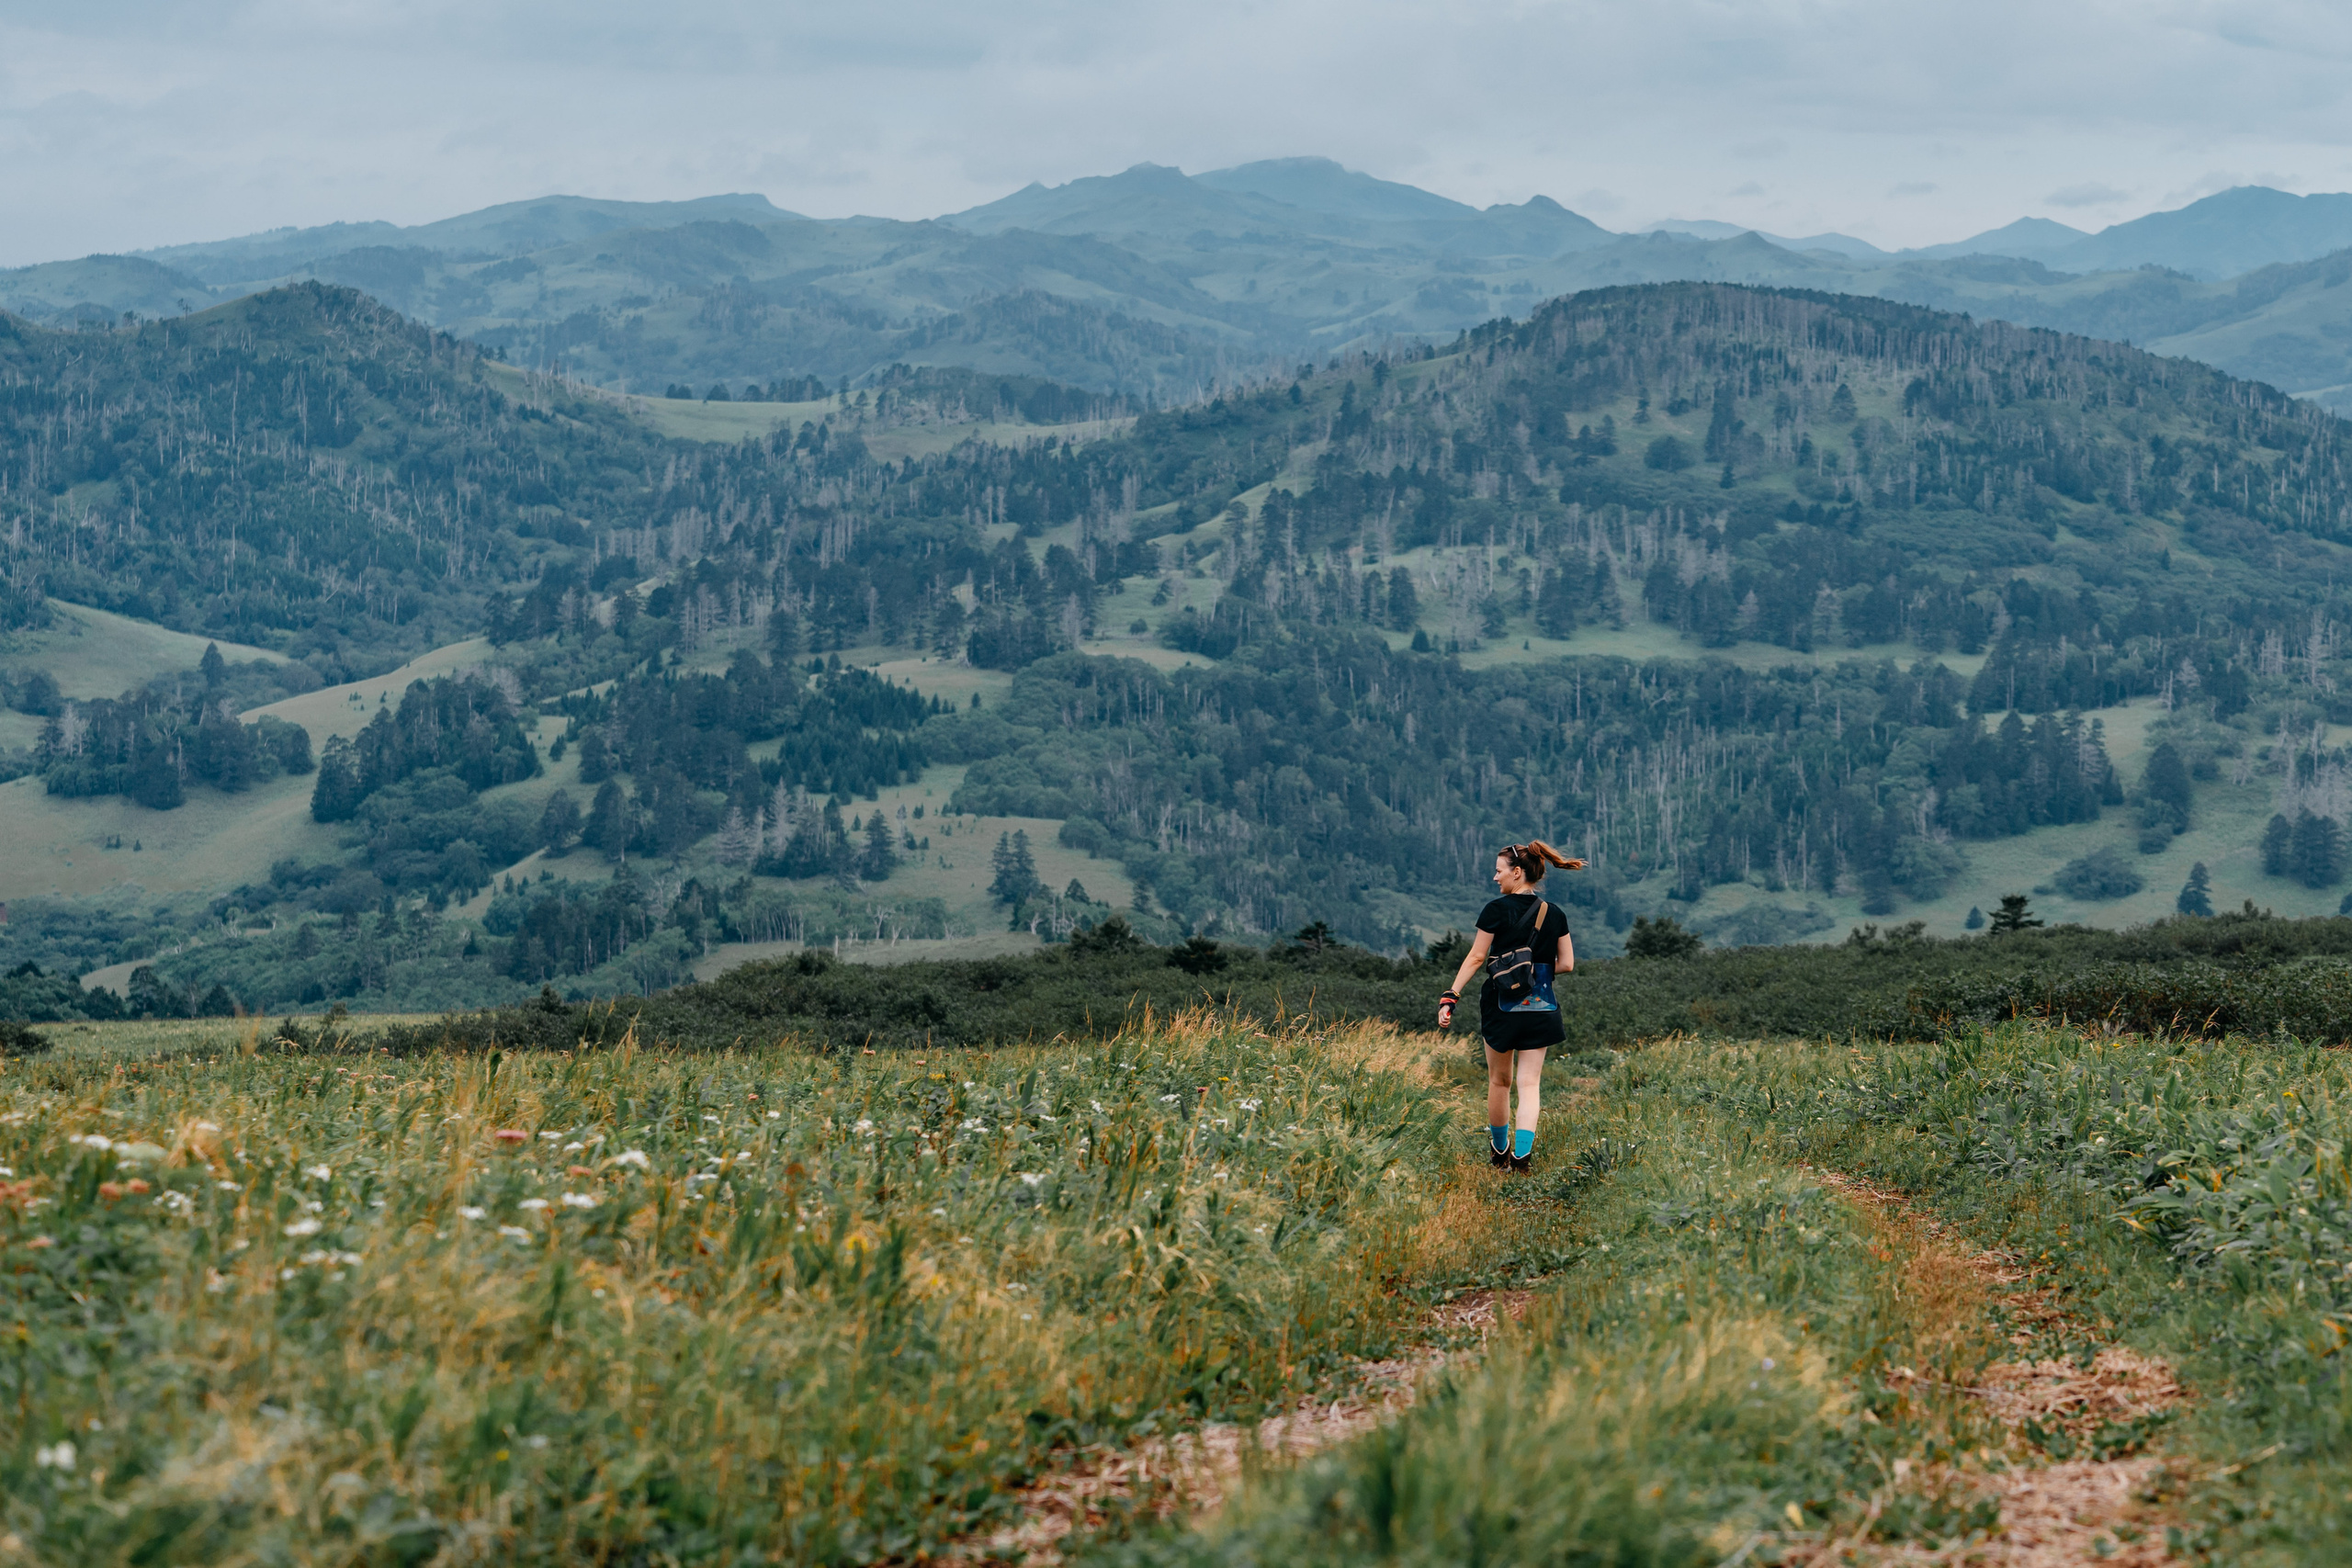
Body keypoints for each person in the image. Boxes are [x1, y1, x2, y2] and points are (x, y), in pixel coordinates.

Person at [1437, 840, 1581, 1171]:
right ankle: (1522, 1158)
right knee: (1529, 1084)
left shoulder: (1495, 910)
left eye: (1499, 870)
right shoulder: (1555, 913)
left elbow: (1477, 957)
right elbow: (1567, 964)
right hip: (1542, 1006)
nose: (1495, 877)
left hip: (1501, 1007)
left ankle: (1499, 1152)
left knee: (1499, 1081)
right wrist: (1532, 970)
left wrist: (1451, 996)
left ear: (1517, 873)